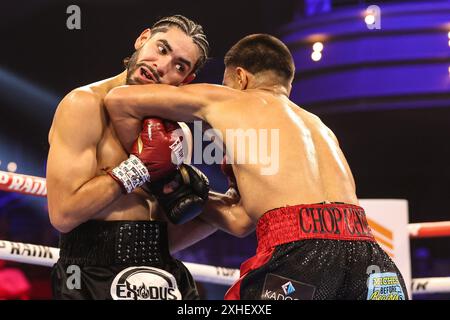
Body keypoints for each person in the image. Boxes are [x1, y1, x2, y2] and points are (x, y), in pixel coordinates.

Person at [104, 34, 409, 300]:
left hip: (300, 259)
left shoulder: (227, 99)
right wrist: (182, 185)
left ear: (241, 77)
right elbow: (240, 222)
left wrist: (154, 168)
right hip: (373, 260)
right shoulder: (319, 127)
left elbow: (120, 99)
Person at [46, 15, 216, 300]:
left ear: (186, 80)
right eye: (161, 49)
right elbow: (63, 215)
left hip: (161, 274)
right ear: (142, 39)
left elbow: (167, 236)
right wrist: (138, 167)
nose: (162, 66)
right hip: (91, 274)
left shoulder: (177, 132)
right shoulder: (84, 105)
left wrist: (206, 214)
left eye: (179, 66)